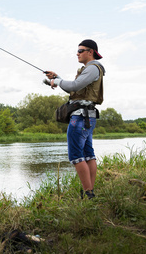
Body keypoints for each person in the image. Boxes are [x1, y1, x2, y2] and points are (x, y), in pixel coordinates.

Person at [45, 39, 105, 199]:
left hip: (80, 118)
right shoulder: (89, 70)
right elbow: (76, 88)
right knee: (88, 154)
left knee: (76, 156)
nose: (77, 53)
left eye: (80, 50)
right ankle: (90, 192)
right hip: (87, 117)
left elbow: (73, 86)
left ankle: (88, 194)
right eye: (77, 51)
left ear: (90, 52)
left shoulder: (92, 68)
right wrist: (58, 78)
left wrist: (56, 81)